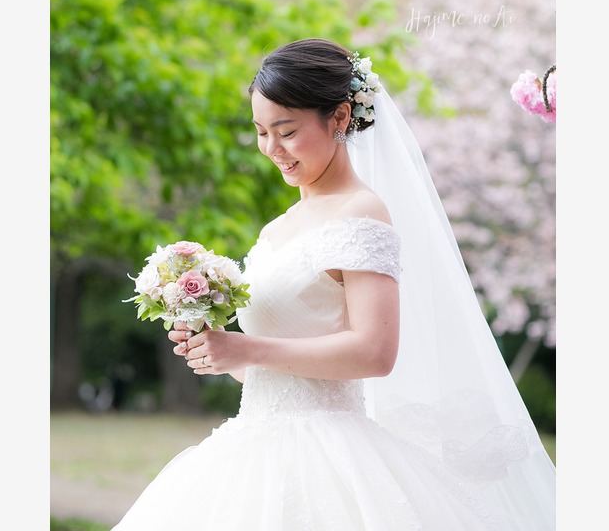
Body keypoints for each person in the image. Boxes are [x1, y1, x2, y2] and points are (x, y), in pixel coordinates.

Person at [113, 38, 556, 530]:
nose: (272, 149)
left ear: (340, 117)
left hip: (333, 458)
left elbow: (374, 353)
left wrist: (249, 350)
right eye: (261, 132)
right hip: (251, 449)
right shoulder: (276, 229)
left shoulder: (362, 213)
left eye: (287, 131)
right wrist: (218, 351)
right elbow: (273, 369)